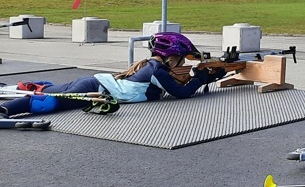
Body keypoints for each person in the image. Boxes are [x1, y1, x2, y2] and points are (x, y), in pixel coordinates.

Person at [0, 32, 228, 119]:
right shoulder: (157, 71)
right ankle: (7, 109)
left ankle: (17, 87)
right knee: (51, 103)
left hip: (95, 82)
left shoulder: (156, 67)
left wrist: (211, 76)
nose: (184, 63)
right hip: (95, 90)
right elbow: (181, 93)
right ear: (171, 57)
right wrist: (200, 78)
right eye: (182, 58)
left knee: (48, 90)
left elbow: (181, 84)